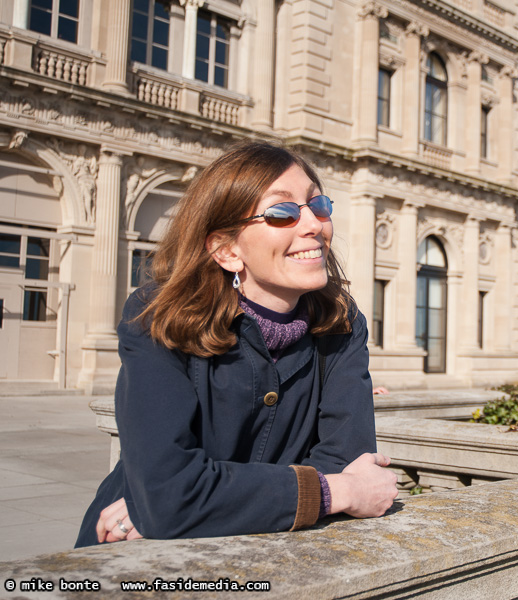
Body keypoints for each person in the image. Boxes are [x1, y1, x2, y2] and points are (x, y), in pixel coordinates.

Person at [75, 141, 398, 547]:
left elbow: (345, 459)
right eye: (282, 212)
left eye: (318, 206)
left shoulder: (342, 323)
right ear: (227, 250)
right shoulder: (159, 318)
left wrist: (196, 507)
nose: (314, 224)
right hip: (126, 556)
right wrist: (337, 492)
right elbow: (170, 494)